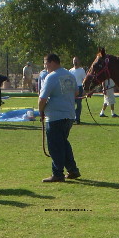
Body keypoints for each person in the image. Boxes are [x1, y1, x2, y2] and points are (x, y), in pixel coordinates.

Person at [39, 53, 81, 182]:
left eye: (46, 63)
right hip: (69, 115)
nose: (45, 67)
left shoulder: (51, 77)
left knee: (55, 146)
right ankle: (72, 170)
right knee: (63, 143)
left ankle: (57, 173)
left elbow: (42, 98)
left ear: (52, 63)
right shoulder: (70, 75)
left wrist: (41, 112)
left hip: (55, 116)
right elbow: (76, 93)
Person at [69, 56, 86, 124]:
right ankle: (72, 118)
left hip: (79, 88)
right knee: (72, 104)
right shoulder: (70, 71)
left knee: (78, 104)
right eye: (74, 61)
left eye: (76, 60)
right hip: (72, 89)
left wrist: (84, 90)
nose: (75, 62)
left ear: (78, 61)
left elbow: (84, 80)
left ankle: (77, 118)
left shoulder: (81, 70)